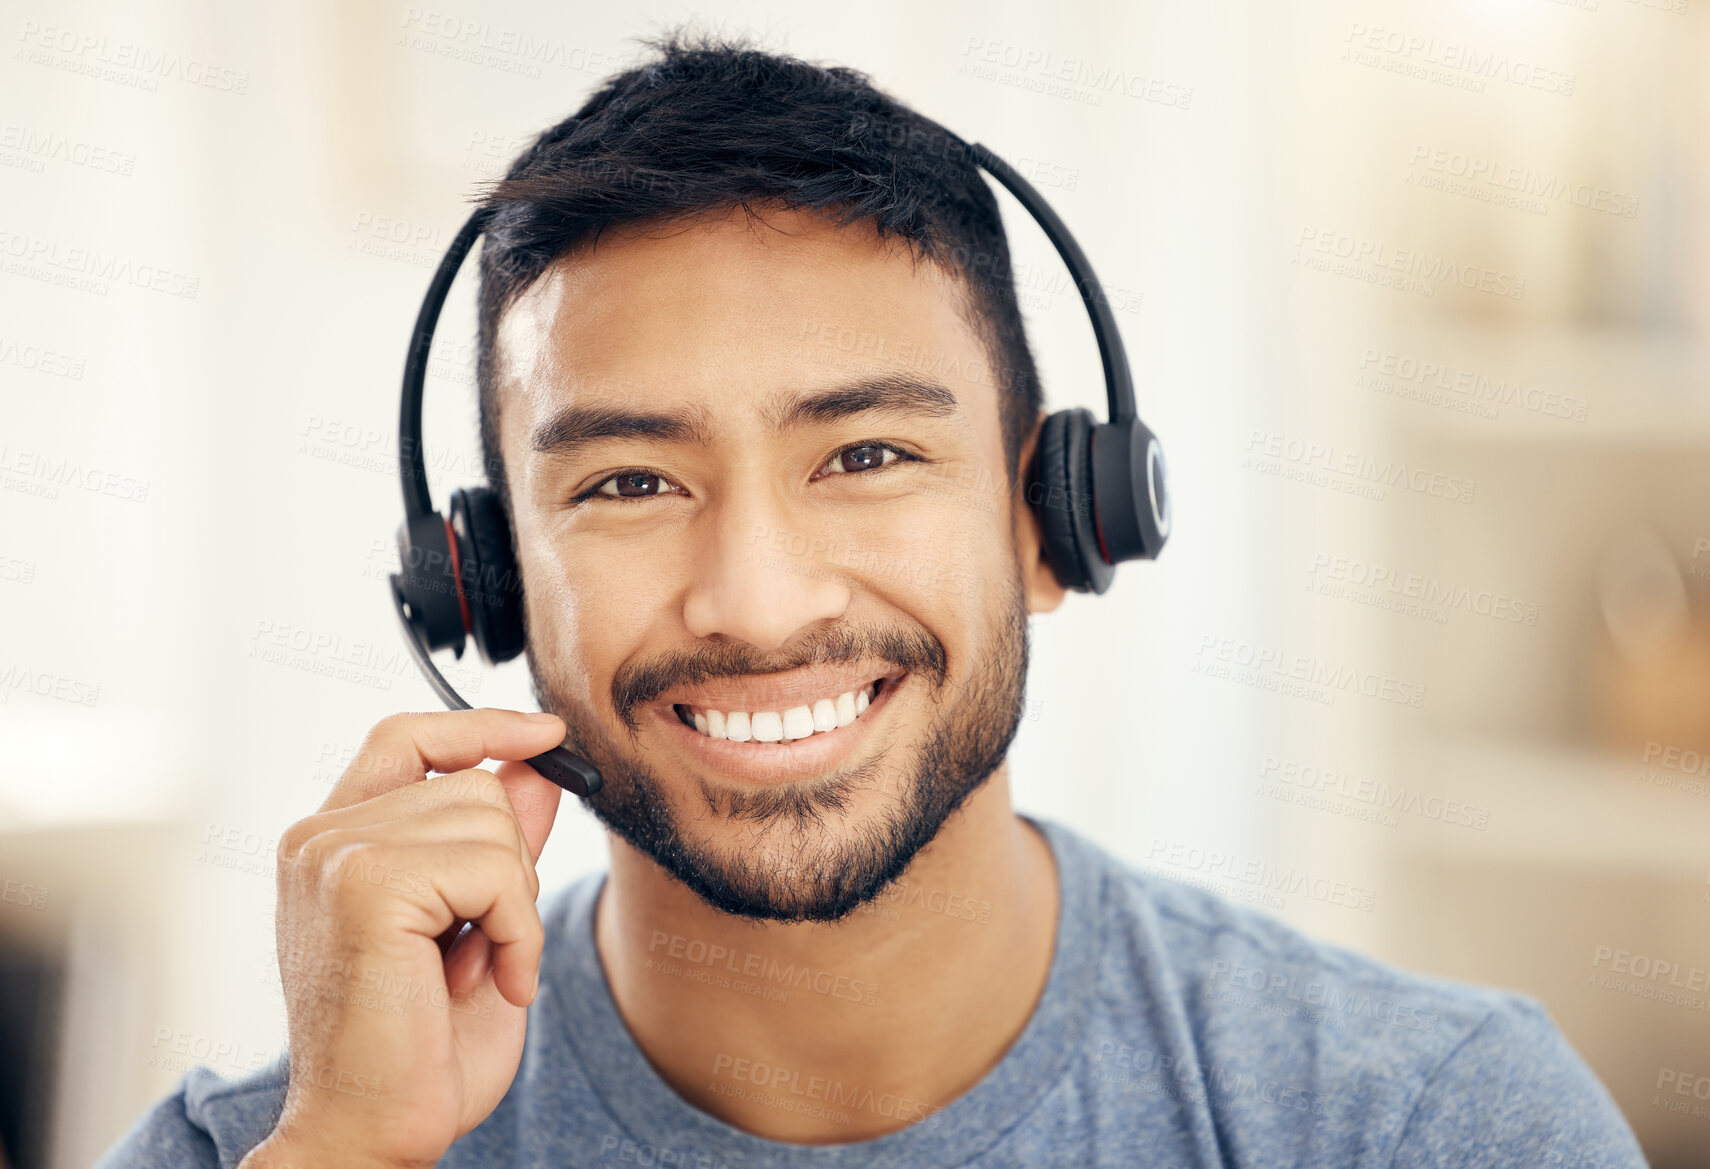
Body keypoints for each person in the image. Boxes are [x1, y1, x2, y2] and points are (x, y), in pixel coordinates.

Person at [99, 35, 1646, 1169]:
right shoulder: (262, 1147)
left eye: (866, 451)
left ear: (1054, 520)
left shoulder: (1427, 1119)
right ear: (485, 582)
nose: (758, 600)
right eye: (628, 482)